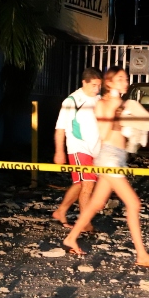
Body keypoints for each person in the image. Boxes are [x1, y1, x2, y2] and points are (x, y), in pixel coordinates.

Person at [62, 67, 149, 268]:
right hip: (108, 158)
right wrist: (117, 108)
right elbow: (104, 133)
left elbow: (146, 124)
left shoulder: (125, 103)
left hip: (116, 157)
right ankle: (141, 254)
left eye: (126, 79)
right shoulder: (102, 104)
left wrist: (131, 113)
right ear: (109, 83)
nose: (125, 83)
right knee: (134, 204)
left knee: (96, 204)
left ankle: (71, 238)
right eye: (120, 79)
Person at [52, 68, 102, 228]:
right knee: (87, 183)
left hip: (96, 149)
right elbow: (60, 129)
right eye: (93, 85)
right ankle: (85, 223)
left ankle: (61, 210)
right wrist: (59, 152)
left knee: (81, 183)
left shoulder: (99, 100)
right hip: (78, 147)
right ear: (84, 83)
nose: (97, 89)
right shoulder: (72, 101)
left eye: (99, 85)